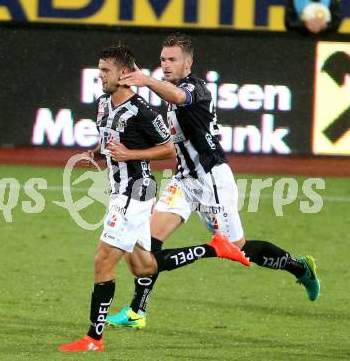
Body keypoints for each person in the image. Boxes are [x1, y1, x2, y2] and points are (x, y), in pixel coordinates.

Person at [106, 33, 321, 330]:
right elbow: (168, 99)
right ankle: (136, 312)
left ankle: (299, 267)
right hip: (184, 179)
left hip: (212, 179)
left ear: (188, 62)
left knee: (239, 249)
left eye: (172, 60)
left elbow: (180, 97)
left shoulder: (197, 89)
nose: (166, 65)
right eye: (163, 60)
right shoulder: (168, 88)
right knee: (148, 241)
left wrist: (147, 80)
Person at [58, 45, 249, 352]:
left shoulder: (142, 110)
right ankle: (213, 248)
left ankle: (94, 338)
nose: (100, 76)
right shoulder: (104, 103)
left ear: (123, 74)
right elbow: (110, 139)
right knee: (144, 267)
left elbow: (170, 149)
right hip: (119, 189)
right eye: (99, 69)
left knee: (103, 259)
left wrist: (131, 154)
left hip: (135, 191)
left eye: (105, 70)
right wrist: (98, 153)